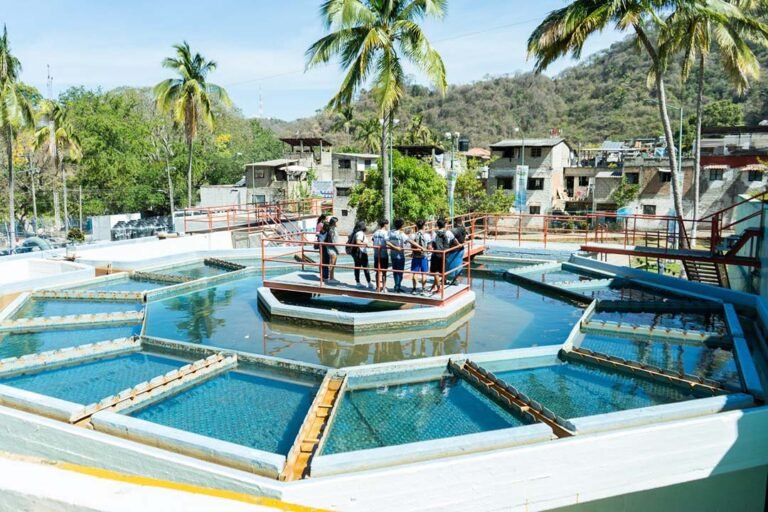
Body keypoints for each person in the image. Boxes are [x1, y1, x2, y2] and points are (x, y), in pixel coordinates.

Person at [428, 217, 455, 296]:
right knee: (441, 271)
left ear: (437, 225)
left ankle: (437, 287)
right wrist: (459, 245)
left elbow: (431, 245)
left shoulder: (434, 233)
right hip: (445, 254)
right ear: (445, 224)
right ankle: (439, 288)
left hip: (436, 254)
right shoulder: (448, 233)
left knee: (436, 272)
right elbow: (454, 241)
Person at [408, 219, 431, 295]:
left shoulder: (413, 235)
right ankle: (423, 289)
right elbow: (429, 247)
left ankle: (414, 289)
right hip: (424, 256)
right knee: (424, 274)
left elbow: (412, 246)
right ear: (423, 226)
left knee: (414, 273)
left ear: (416, 226)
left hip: (415, 256)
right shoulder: (427, 235)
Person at [387, 218, 409, 293]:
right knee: (400, 272)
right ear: (401, 225)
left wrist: (393, 247)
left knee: (395, 271)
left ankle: (397, 285)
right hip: (400, 255)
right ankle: (397, 286)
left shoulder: (390, 232)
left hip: (392, 254)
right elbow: (408, 241)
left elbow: (387, 241)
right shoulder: (401, 234)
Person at [349, 221, 373, 289]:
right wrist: (366, 244)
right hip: (361, 252)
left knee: (357, 267)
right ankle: (369, 282)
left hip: (356, 252)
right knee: (365, 267)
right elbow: (358, 242)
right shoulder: (360, 233)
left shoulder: (355, 232)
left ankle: (358, 282)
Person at [447, 219, 467, 285]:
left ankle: (448, 278)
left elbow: (452, 238)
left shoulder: (455, 230)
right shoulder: (463, 229)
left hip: (454, 250)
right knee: (459, 264)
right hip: (461, 249)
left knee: (449, 264)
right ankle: (456, 279)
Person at [371, 219, 390, 292]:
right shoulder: (385, 233)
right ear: (385, 225)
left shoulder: (375, 232)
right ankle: (384, 287)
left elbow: (373, 240)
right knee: (384, 271)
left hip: (376, 254)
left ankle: (377, 286)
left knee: (377, 271)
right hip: (383, 254)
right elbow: (387, 242)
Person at [327, 217, 340, 281]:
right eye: (336, 222)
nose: (337, 223)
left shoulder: (334, 229)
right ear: (334, 222)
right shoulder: (332, 230)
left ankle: (332, 277)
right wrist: (337, 250)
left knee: (333, 263)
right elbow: (333, 241)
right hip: (332, 248)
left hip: (333, 248)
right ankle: (330, 278)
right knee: (332, 263)